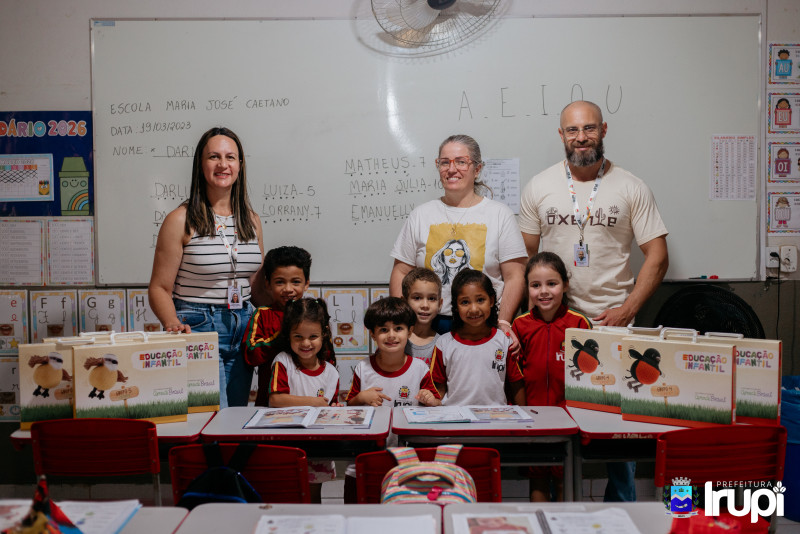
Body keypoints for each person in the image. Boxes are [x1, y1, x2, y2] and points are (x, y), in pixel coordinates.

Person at [518, 100, 669, 501]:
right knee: (549, 417)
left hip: (610, 324)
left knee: (617, 425)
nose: (580, 137)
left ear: (603, 129)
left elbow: (657, 254)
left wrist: (628, 310)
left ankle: (622, 510)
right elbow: (523, 262)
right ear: (561, 135)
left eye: (588, 129)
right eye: (572, 130)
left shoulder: (631, 186)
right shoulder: (539, 186)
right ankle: (550, 506)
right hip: (555, 322)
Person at [148, 126, 264, 408]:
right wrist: (173, 324)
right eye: (214, 157)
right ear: (201, 166)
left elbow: (255, 284)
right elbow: (159, 288)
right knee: (213, 419)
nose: (223, 164)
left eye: (230, 157)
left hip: (244, 326)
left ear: (240, 165)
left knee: (235, 417)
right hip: (198, 325)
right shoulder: (180, 219)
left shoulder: (251, 220)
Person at [389, 134, 527, 339]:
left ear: (477, 169)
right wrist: (403, 321)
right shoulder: (421, 215)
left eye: (461, 162)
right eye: (444, 162)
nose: (452, 169)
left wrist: (504, 321)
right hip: (427, 326)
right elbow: (401, 271)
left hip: (482, 324)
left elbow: (515, 276)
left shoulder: (499, 214)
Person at [343, 297, 441, 502]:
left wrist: (430, 400)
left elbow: (437, 404)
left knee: (404, 508)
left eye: (398, 328)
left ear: (410, 331)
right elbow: (349, 407)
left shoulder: (420, 369)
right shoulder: (363, 368)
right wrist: (361, 397)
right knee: (360, 504)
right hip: (367, 455)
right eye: (383, 330)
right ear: (372, 333)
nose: (391, 335)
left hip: (409, 458)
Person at [512, 252, 591, 501]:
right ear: (528, 288)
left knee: (564, 478)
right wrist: (522, 413)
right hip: (532, 419)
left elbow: (590, 377)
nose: (543, 292)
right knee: (537, 480)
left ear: (565, 285)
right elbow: (515, 377)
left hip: (569, 420)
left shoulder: (579, 324)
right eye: (536, 285)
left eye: (552, 284)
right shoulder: (520, 326)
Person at [267, 297, 339, 502]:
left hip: (319, 447)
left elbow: (331, 407)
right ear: (288, 335)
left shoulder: (331, 373)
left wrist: (335, 408)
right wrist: (314, 402)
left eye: (313, 336)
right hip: (286, 443)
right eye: (298, 336)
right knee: (286, 496)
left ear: (324, 334)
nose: (306, 343)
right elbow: (276, 399)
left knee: (314, 496)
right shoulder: (283, 361)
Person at [431, 269, 526, 406]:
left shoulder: (505, 341)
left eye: (480, 300)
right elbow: (438, 390)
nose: (474, 309)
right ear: (456, 306)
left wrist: (525, 421)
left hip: (497, 420)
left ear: (492, 300)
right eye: (465, 302)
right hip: (454, 420)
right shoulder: (443, 343)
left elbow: (516, 384)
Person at [242, 246, 312, 406]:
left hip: (308, 399)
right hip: (269, 402)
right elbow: (250, 355)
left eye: (296, 282)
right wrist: (279, 337)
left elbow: (327, 358)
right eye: (280, 282)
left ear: (306, 283)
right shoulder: (263, 314)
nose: (288, 289)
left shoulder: (314, 314)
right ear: (267, 284)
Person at [401, 267, 443, 366]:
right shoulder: (396, 339)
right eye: (417, 298)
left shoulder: (443, 344)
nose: (425, 305)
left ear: (440, 304)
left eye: (432, 298)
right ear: (404, 302)